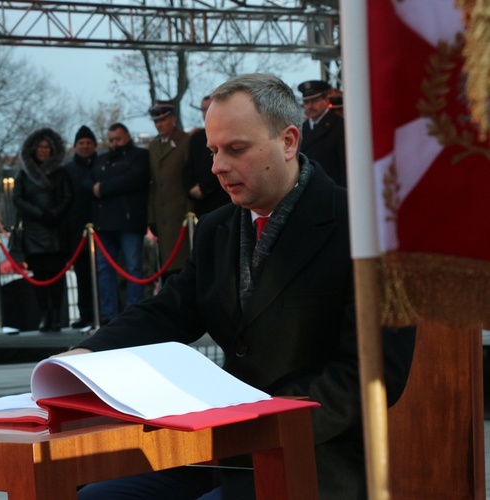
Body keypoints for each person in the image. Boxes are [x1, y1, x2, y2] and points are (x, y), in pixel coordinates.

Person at [66, 74, 413, 499]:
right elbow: (169, 310)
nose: (216, 167)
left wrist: (265, 422)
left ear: (288, 142)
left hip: (318, 456)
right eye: (213, 151)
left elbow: (372, 375)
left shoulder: (364, 230)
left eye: (235, 149)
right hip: (222, 450)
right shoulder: (216, 229)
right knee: (91, 495)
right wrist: (84, 356)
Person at [87, 123, 150, 323]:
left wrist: (103, 187)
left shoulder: (139, 155)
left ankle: (133, 313)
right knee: (104, 269)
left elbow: (132, 179)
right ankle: (109, 314)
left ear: (127, 136)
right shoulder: (101, 159)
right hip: (104, 224)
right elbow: (88, 182)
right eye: (112, 139)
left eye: (118, 138)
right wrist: (105, 185)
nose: (115, 143)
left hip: (129, 222)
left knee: (133, 267)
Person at [12, 127, 72, 332]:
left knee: (57, 277)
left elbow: (67, 197)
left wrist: (53, 214)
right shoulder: (24, 174)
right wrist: (39, 214)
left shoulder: (61, 173)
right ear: (33, 149)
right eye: (40, 146)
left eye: (47, 147)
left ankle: (56, 315)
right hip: (34, 232)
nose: (44, 150)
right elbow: (17, 199)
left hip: (55, 231)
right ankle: (44, 315)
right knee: (39, 277)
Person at [147, 100, 192, 280]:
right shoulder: (153, 146)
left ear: (173, 119)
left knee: (183, 266)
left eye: (163, 120)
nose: (159, 125)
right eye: (156, 122)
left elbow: (188, 178)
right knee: (166, 270)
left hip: (180, 215)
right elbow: (154, 184)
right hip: (161, 216)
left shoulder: (185, 142)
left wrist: (190, 213)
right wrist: (151, 217)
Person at [63, 125, 98, 329]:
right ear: (75, 146)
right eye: (81, 143)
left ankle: (105, 313)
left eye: (88, 143)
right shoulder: (67, 171)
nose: (85, 147)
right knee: (82, 276)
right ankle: (85, 314)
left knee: (103, 276)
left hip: (101, 231)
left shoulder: (102, 164)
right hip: (77, 232)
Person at [184, 95, 231, 218]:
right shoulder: (196, 138)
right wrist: (191, 188)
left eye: (209, 108)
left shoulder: (228, 134)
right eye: (204, 110)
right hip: (201, 205)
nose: (206, 113)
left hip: (222, 201)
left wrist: (204, 188)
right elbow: (189, 166)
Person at [298, 79, 347, 187]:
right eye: (306, 102)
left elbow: (345, 166)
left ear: (326, 99)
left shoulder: (340, 126)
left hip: (333, 191)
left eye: (314, 101)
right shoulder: (301, 129)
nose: (310, 106)